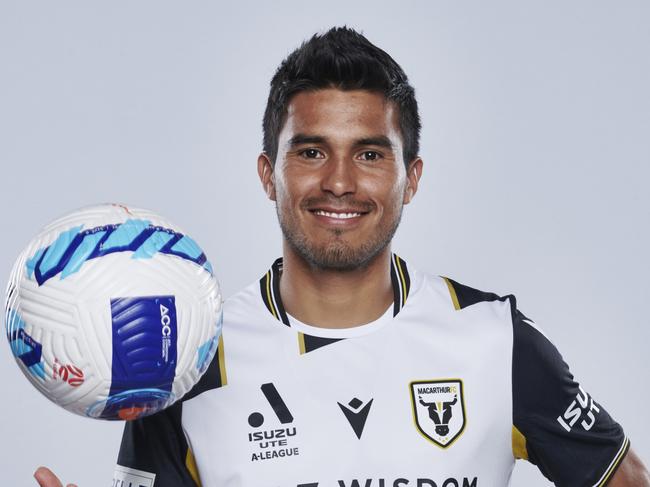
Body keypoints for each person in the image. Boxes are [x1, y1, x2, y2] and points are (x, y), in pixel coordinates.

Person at [35, 27, 649, 487]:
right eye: (309, 152)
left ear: (411, 179)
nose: (339, 181)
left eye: (370, 154)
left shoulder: (493, 338)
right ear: (267, 175)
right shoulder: (190, 360)